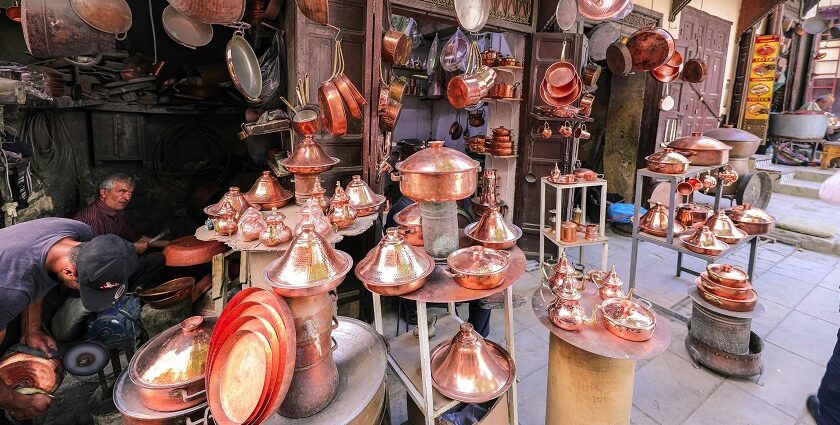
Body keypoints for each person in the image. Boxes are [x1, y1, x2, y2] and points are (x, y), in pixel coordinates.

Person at [0, 218, 138, 420]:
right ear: (69, 271)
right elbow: (24, 280)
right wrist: (22, 402)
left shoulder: (78, 233)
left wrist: (32, 329)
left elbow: (37, 274)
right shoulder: (10, 291)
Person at [75, 173, 170, 291]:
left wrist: (168, 243)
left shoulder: (118, 213)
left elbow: (135, 237)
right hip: (96, 273)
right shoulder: (92, 218)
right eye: (122, 192)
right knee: (155, 260)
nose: (127, 198)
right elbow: (96, 257)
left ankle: (136, 292)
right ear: (104, 192)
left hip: (114, 264)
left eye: (130, 193)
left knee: (157, 257)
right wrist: (131, 248)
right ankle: (130, 296)